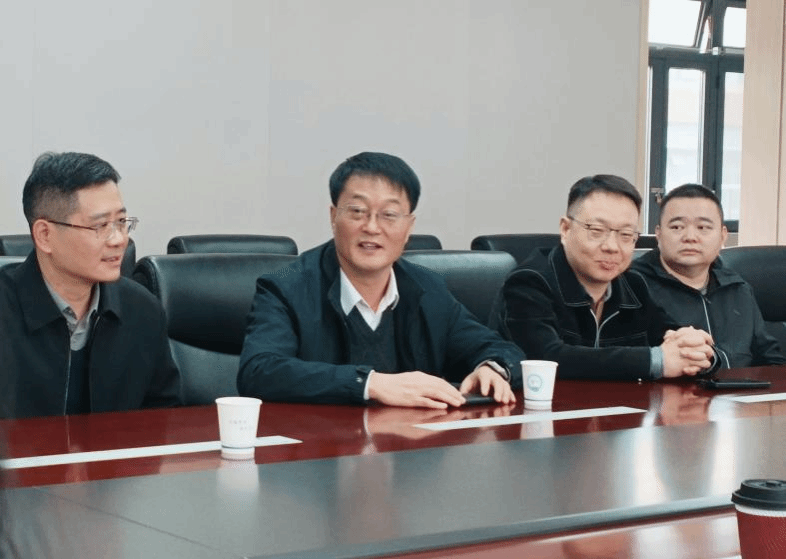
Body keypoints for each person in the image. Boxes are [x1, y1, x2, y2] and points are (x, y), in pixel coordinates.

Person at [239, 151, 524, 408]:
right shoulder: (286, 286)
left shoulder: (427, 289)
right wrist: (371, 384)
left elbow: (501, 349)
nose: (372, 227)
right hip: (321, 445)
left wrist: (493, 368)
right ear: (333, 216)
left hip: (412, 444)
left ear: (409, 227)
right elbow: (259, 371)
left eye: (389, 214)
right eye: (357, 212)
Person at [0, 152, 180, 418]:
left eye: (121, 222)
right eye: (101, 225)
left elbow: (162, 417)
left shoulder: (142, 310)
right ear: (45, 235)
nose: (119, 240)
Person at [491, 174, 715, 380]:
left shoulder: (633, 285)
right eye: (596, 231)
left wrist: (698, 351)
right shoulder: (529, 283)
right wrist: (656, 361)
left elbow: (673, 341)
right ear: (566, 229)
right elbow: (547, 359)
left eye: (626, 235)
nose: (612, 247)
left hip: (621, 409)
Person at [631, 183, 785, 368]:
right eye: (677, 227)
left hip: (740, 387)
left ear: (722, 236)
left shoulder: (737, 289)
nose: (690, 237)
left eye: (703, 227)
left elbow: (771, 360)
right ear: (659, 234)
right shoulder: (632, 287)